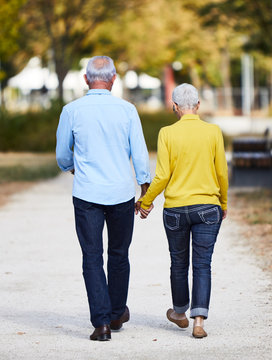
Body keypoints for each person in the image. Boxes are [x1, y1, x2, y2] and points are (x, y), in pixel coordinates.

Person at [56, 56, 150, 341]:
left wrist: (74, 169)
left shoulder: (71, 110)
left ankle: (102, 324)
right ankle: (117, 313)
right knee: (120, 255)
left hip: (87, 194)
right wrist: (145, 188)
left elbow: (62, 155)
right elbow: (140, 153)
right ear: (113, 79)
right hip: (121, 193)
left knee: (92, 257)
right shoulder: (127, 110)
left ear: (86, 79)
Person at [136, 83, 228, 338]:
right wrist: (223, 202)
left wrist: (145, 202)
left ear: (174, 107)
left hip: (175, 210)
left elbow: (162, 175)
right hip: (207, 208)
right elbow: (221, 171)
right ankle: (198, 321)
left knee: (178, 262)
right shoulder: (213, 132)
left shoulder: (167, 133)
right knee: (202, 264)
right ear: (198, 106)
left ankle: (179, 312)